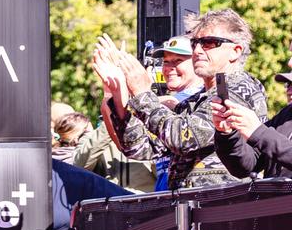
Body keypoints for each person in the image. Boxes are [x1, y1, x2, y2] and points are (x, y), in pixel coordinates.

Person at [95, 10, 268, 189]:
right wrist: (117, 91)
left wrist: (142, 92)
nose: (198, 51)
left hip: (222, 208)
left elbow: (184, 138)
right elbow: (141, 148)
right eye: (195, 43)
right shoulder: (195, 101)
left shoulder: (239, 88)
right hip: (189, 208)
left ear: (235, 51)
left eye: (208, 43)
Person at [211, 71, 292, 179]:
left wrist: (259, 132)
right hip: (273, 196)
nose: (289, 91)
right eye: (289, 85)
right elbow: (245, 168)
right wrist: (228, 134)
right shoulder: (285, 115)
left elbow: (261, 135)